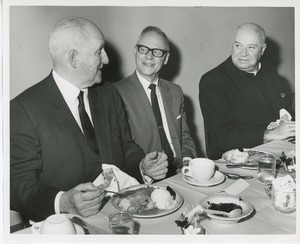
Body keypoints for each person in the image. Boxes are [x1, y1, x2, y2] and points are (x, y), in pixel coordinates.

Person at [10, 17, 168, 222]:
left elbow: (125, 145)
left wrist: (143, 166)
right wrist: (63, 201)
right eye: (99, 52)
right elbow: (17, 184)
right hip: (62, 225)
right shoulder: (24, 109)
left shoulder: (108, 93)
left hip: (119, 216)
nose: (107, 59)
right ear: (74, 58)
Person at [199, 23, 295, 160]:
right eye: (238, 45)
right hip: (235, 158)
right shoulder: (213, 80)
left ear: (263, 49)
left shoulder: (270, 71)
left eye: (251, 47)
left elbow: (281, 111)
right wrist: (269, 134)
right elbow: (221, 137)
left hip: (273, 150)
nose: (243, 53)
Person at [114, 26, 197, 180]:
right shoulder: (116, 93)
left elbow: (184, 136)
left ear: (165, 58)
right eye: (143, 49)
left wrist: (187, 162)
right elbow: (119, 149)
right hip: (147, 180)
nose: (149, 57)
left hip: (181, 174)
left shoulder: (175, 91)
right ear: (135, 51)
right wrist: (145, 169)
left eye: (157, 52)